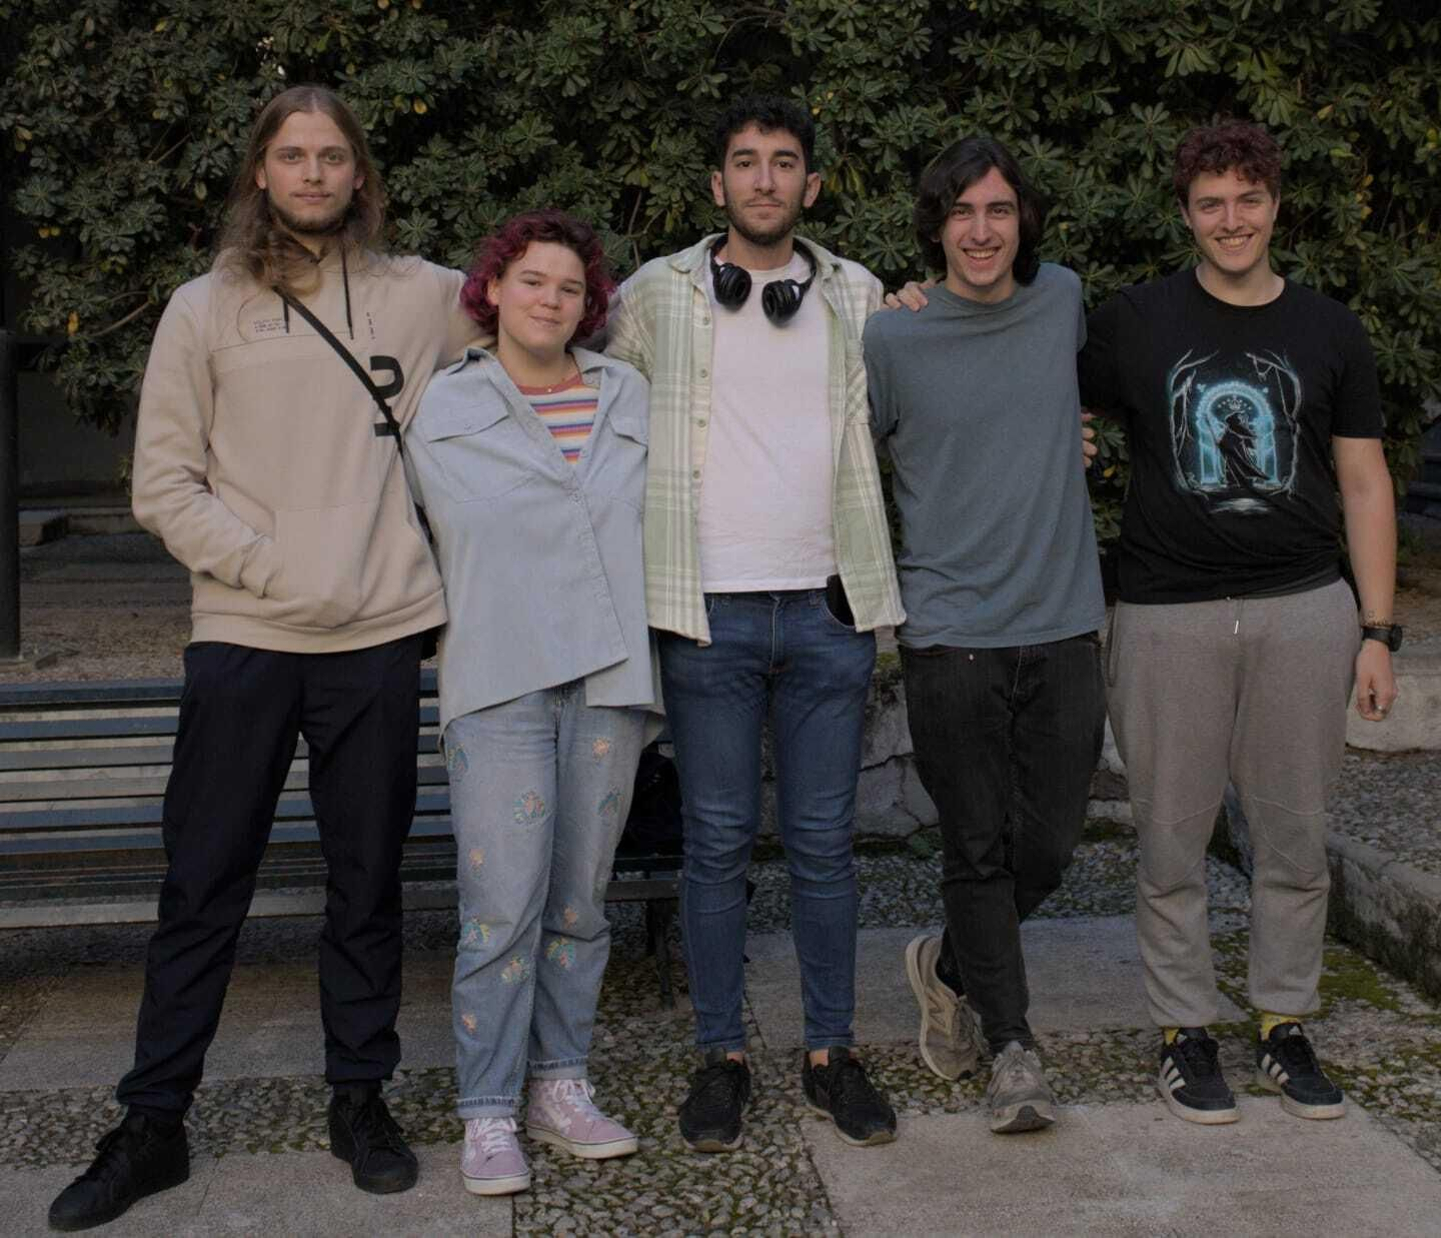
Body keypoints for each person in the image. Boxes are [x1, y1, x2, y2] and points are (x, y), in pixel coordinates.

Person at [48, 84, 480, 1232]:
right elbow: (162, 484)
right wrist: (274, 569)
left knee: (367, 883)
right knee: (202, 885)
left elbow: (561, 302)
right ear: (259, 172)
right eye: (292, 155)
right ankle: (153, 1122)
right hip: (245, 638)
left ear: (359, 174)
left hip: (382, 640)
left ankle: (360, 1098)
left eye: (333, 154)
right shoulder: (203, 309)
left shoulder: (421, 295)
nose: (312, 173)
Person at [1077, 119, 1398, 1125]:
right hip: (1167, 613)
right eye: (1210, 202)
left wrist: (1378, 629)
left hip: (1305, 608)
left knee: (1295, 836)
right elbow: (1044, 399)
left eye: (1247, 200)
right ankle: (1184, 1031)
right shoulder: (1131, 321)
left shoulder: (1329, 330)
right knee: (1169, 837)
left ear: (1274, 208)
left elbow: (1362, 479)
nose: (1230, 219)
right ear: (1186, 214)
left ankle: (1281, 1022)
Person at [605, 95, 904, 1152]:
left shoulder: (863, 296)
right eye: (745, 162)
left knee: (825, 843)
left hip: (829, 606)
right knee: (718, 841)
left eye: (784, 163)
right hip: (705, 611)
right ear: (717, 185)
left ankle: (832, 1051)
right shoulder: (654, 296)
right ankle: (720, 1054)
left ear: (811, 186)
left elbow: (920, 413)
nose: (765, 180)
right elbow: (600, 425)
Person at [404, 209, 657, 1195]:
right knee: (501, 903)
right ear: (493, 291)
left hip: (609, 678)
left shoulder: (625, 393)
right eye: (532, 280)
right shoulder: (446, 404)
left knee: (578, 900)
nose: (550, 299)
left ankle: (560, 1080)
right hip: (499, 672)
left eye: (569, 287)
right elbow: (405, 526)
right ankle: (486, 1108)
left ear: (589, 306)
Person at [864, 136, 1106, 1134]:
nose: (979, 229)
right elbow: (849, 464)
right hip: (950, 629)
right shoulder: (891, 337)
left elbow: (1084, 407)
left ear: (1023, 222)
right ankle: (1010, 1044)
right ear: (935, 226)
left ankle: (951, 962)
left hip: (1062, 619)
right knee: (974, 844)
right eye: (960, 212)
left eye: (997, 210)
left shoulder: (1064, 304)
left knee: (1046, 841)